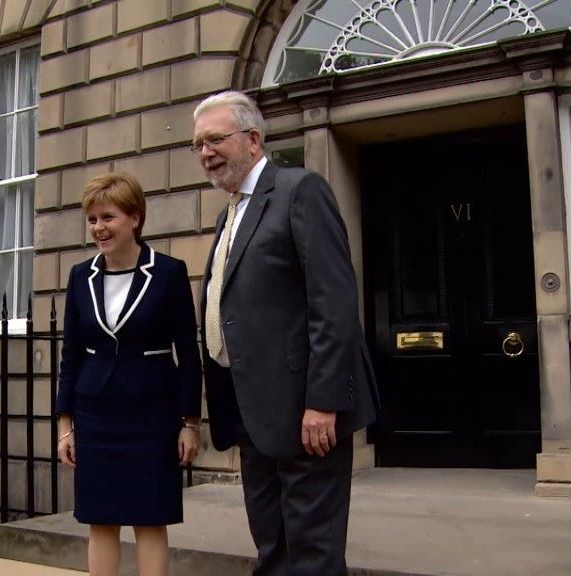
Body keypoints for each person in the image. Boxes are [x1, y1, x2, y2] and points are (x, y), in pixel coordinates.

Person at [193, 91, 380, 576]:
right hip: (253, 412)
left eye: (215, 139)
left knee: (312, 554)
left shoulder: (301, 190)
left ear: (253, 140)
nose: (205, 152)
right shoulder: (228, 213)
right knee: (272, 548)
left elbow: (333, 302)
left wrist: (323, 401)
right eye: (197, 144)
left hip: (305, 412)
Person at [55, 173, 202, 576]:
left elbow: (188, 354)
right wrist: (65, 426)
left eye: (108, 217)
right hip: (96, 416)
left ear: (134, 218)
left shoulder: (169, 272)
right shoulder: (80, 276)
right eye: (92, 220)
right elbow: (70, 355)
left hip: (152, 415)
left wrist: (190, 422)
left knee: (150, 519)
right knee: (100, 520)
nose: (99, 228)